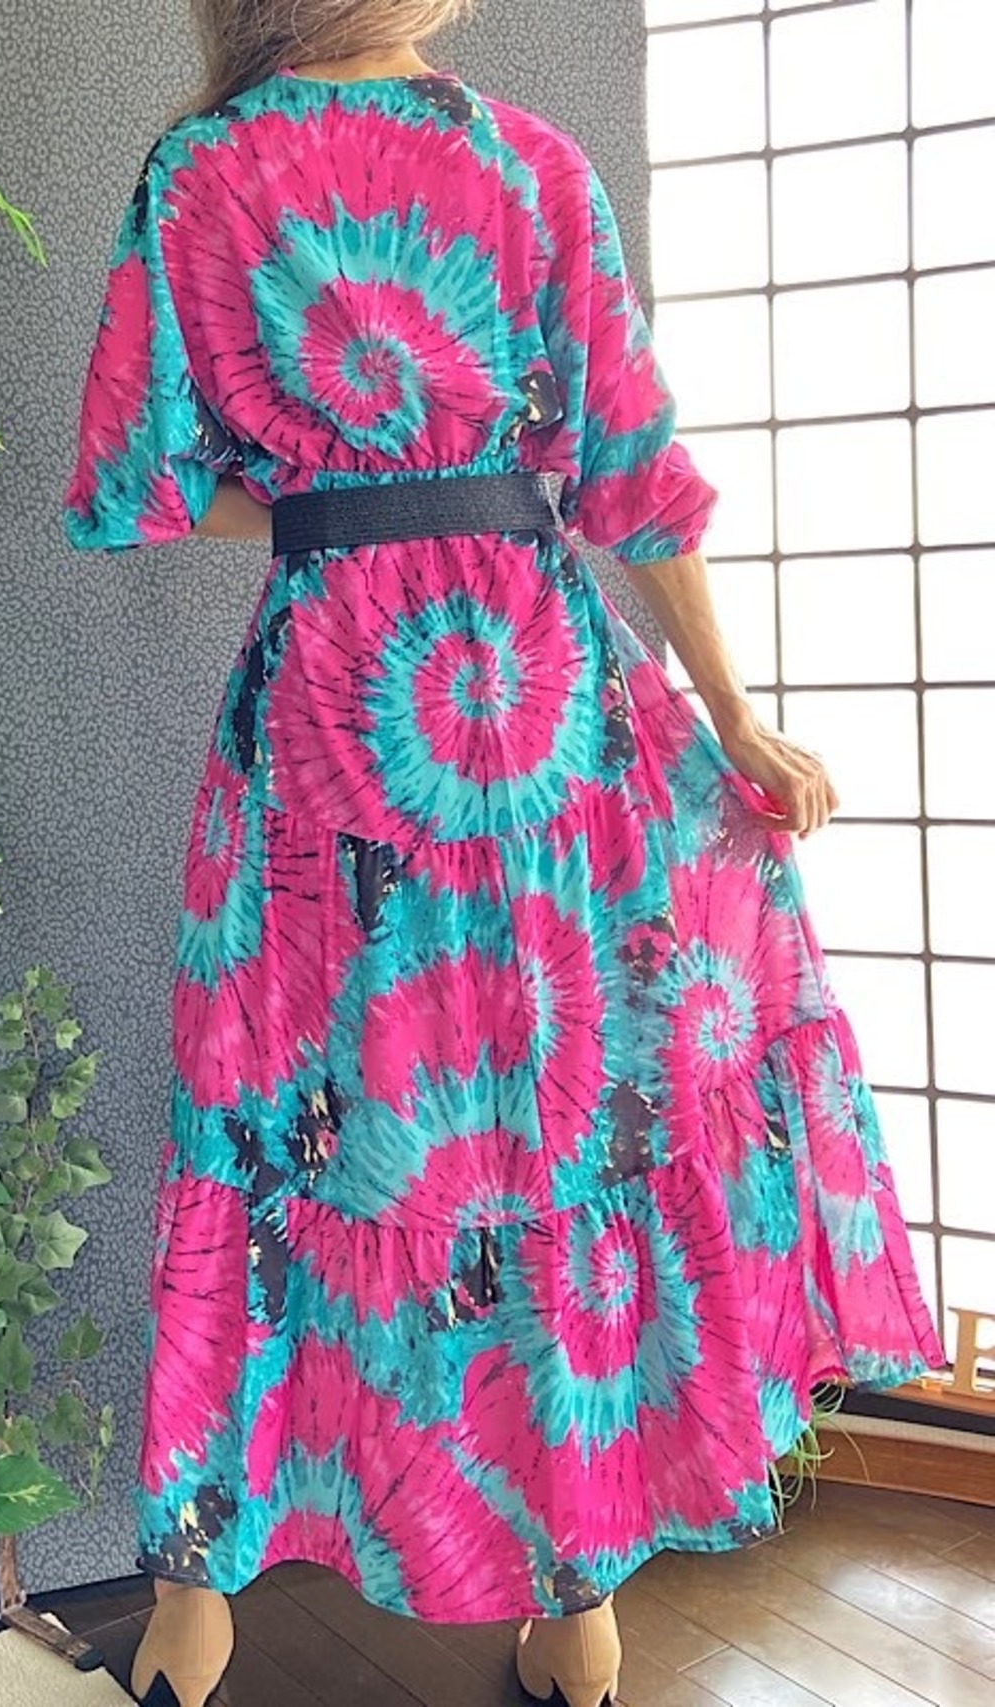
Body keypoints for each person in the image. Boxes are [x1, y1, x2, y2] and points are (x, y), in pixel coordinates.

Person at [63, 5, 945, 1704]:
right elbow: (634, 483)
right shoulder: (530, 167)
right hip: (538, 701)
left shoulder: (199, 171)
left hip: (331, 708)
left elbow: (139, 482)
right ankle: (575, 1602)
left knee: (284, 1102)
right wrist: (736, 721)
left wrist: (327, 507)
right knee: (552, 1111)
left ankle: (192, 1608)